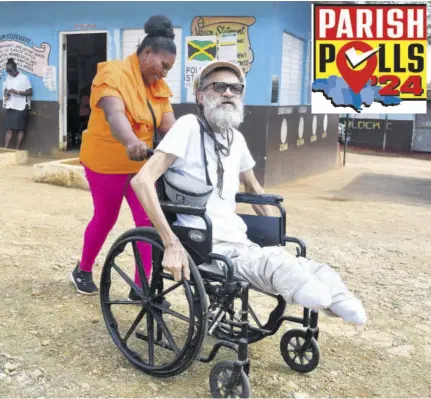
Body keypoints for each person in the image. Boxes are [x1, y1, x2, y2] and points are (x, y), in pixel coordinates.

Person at [130, 60, 367, 325]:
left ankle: (333, 295)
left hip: (238, 240)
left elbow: (254, 190)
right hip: (203, 244)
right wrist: (170, 242)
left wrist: (272, 237)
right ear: (200, 96)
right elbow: (142, 181)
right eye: (219, 87)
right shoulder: (188, 127)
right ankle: (317, 295)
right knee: (274, 266)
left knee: (297, 263)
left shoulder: (236, 138)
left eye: (236, 88)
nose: (228, 93)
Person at [70, 15, 177, 295]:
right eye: (163, 65)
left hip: (140, 166)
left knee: (148, 222)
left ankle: (141, 287)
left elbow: (169, 125)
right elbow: (114, 113)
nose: (164, 72)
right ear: (147, 53)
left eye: (169, 68)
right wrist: (130, 141)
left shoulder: (158, 85)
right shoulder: (113, 73)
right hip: (105, 162)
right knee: (106, 217)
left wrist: (191, 143)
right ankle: (82, 269)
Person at [2, 58, 32, 149]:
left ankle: (17, 149)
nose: (10, 74)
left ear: (15, 70)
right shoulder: (8, 78)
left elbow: (30, 92)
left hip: (21, 106)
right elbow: (6, 90)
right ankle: (5, 149)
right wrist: (6, 94)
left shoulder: (24, 78)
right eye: (8, 73)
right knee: (9, 129)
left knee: (20, 129)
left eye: (11, 72)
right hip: (10, 106)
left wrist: (16, 92)